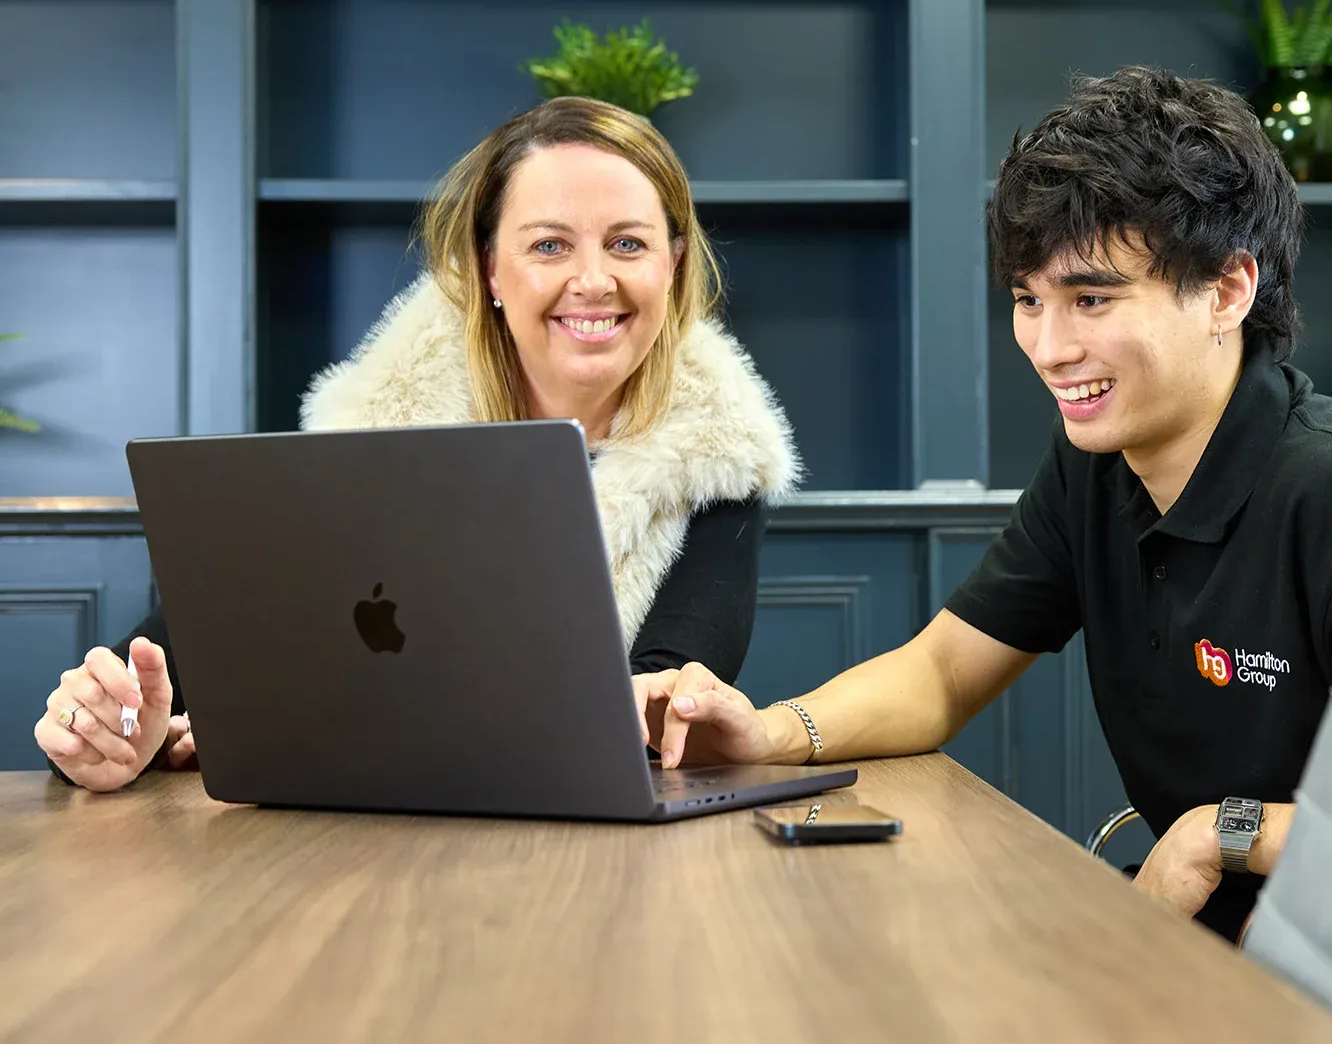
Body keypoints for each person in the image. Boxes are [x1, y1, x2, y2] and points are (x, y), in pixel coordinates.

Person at [635, 66, 1332, 942]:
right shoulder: (1101, 464)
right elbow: (941, 674)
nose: (1050, 349)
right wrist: (766, 737)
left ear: (1229, 291)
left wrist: (1221, 832)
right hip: (1207, 942)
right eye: (1027, 301)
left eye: (1092, 298)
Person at [36, 96, 799, 794]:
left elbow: (663, 687)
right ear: (490, 269)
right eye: (550, 245)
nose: (592, 280)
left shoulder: (721, 457)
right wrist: (110, 729)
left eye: (627, 244)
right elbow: (175, 658)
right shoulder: (365, 439)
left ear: (673, 266)